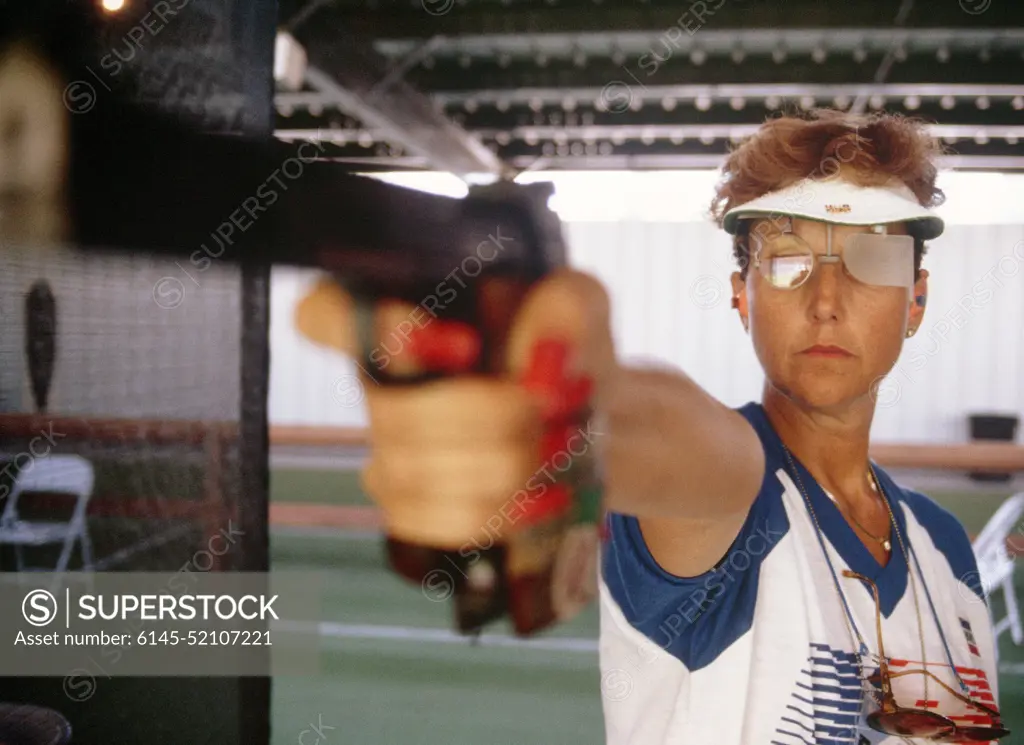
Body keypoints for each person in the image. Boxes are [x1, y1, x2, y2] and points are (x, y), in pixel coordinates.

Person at [296, 109, 1006, 744]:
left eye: (872, 256)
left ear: (916, 299)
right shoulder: (733, 496)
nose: (826, 298)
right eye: (787, 260)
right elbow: (672, 442)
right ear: (741, 295)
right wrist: (574, 407)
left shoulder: (947, 548)